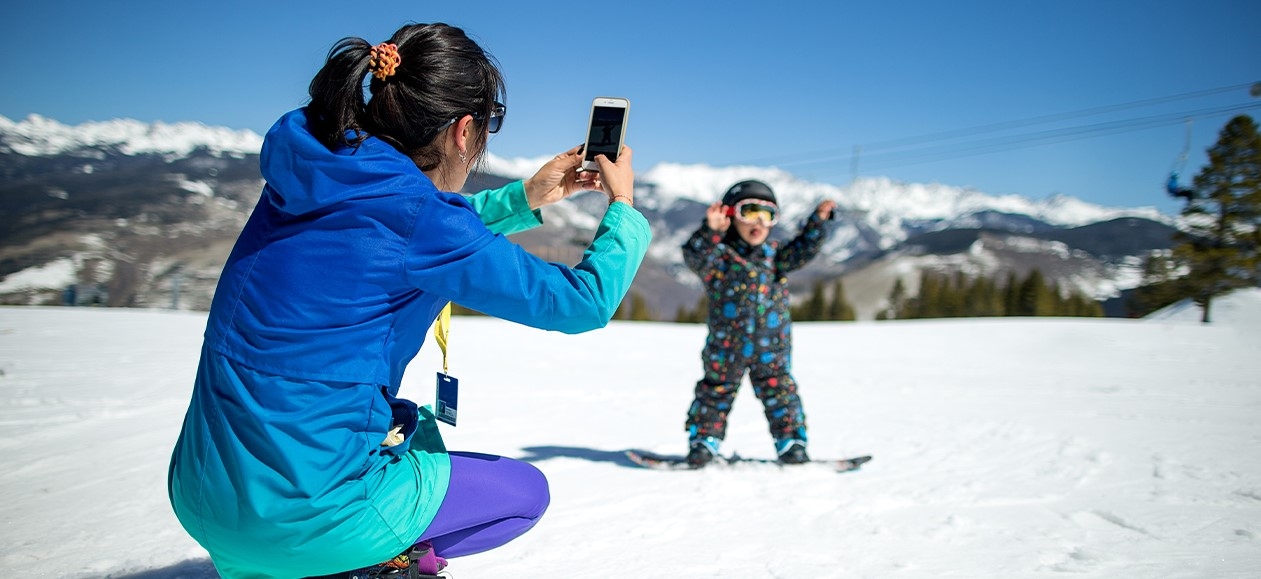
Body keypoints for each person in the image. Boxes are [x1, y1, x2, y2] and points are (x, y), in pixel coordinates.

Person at [166, 23, 650, 579]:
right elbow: (581, 303)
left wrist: (526, 197)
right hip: (303, 522)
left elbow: (395, 226)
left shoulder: (308, 174)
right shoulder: (420, 223)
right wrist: (624, 207)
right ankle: (363, 563)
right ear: (464, 131)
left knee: (402, 424)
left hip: (203, 497)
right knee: (523, 493)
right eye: (489, 123)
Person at [680, 179, 836, 468]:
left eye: (767, 214)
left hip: (772, 347)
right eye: (749, 212)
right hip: (725, 347)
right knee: (715, 392)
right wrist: (710, 231)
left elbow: (804, 248)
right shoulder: (719, 258)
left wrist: (817, 223)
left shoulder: (776, 257)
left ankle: (792, 442)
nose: (759, 222)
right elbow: (694, 257)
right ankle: (704, 441)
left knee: (781, 393)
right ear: (730, 215)